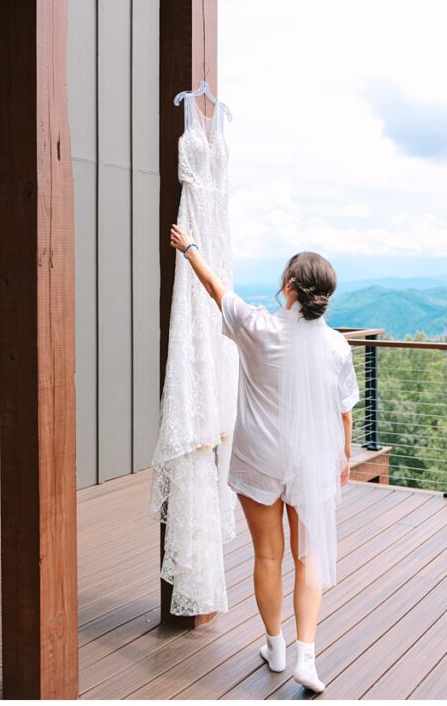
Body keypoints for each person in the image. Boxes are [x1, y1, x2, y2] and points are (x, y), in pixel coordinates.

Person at [169, 223, 360, 692]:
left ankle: (275, 647)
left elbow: (218, 289)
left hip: (259, 459)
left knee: (268, 555)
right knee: (308, 558)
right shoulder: (336, 346)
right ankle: (307, 658)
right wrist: (344, 457)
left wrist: (190, 246)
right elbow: (344, 413)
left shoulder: (256, 327)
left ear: (289, 287)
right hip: (312, 460)